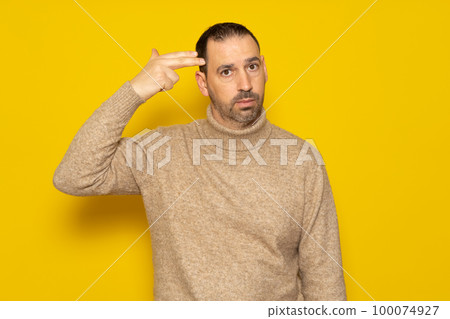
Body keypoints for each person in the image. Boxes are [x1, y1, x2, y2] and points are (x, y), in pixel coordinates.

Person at [53, 22, 347, 301]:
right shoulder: (162, 151)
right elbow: (75, 176)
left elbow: (325, 280)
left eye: (252, 66)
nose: (245, 83)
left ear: (265, 69)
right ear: (203, 83)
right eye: (227, 72)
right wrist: (135, 91)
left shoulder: (302, 160)